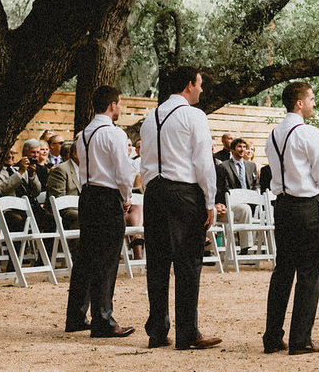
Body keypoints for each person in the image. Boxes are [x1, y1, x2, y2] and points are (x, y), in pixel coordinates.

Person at [138, 65, 222, 351]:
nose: (201, 90)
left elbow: (144, 161)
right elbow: (203, 162)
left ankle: (157, 331)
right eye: (199, 84)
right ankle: (188, 332)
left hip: (154, 193)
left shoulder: (150, 118)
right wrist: (210, 200)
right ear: (188, 85)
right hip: (183, 192)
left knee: (158, 263)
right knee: (188, 262)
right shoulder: (193, 115)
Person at [263, 80, 319, 355]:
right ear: (299, 103)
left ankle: (272, 337)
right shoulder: (309, 133)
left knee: (283, 271)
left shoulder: (273, 135)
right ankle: (300, 339)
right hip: (306, 206)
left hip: (282, 206)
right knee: (308, 273)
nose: (314, 103)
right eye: (312, 99)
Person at [66, 85, 138, 338]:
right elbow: (123, 171)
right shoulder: (114, 133)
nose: (119, 108)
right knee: (107, 260)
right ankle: (103, 320)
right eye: (118, 103)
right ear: (112, 105)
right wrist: (126, 197)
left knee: (86, 257)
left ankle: (75, 316)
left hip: (87, 196)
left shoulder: (83, 134)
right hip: (107, 197)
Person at [47, 141, 83, 230]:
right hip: (63, 212)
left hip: (81, 210)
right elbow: (58, 199)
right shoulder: (61, 170)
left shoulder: (88, 170)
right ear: (75, 154)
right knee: (84, 217)